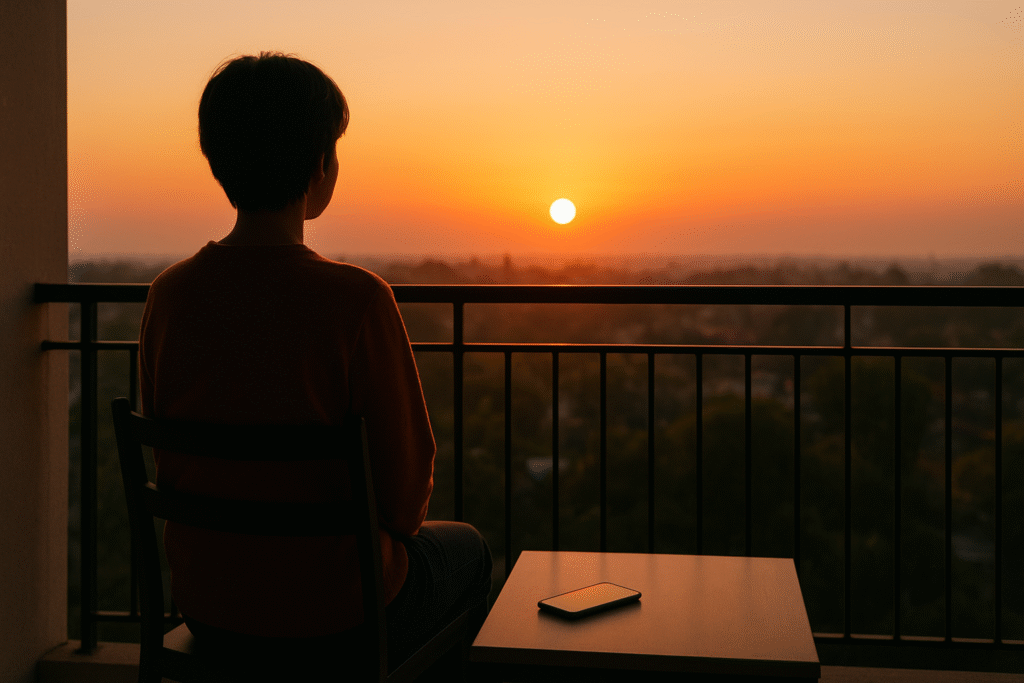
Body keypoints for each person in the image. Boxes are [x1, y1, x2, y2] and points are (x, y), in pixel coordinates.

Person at [139, 52, 492, 678]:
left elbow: (170, 457)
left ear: (218, 160)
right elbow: (405, 501)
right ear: (320, 165)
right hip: (339, 613)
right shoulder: (357, 301)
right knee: (468, 550)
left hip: (210, 603)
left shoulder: (170, 296)